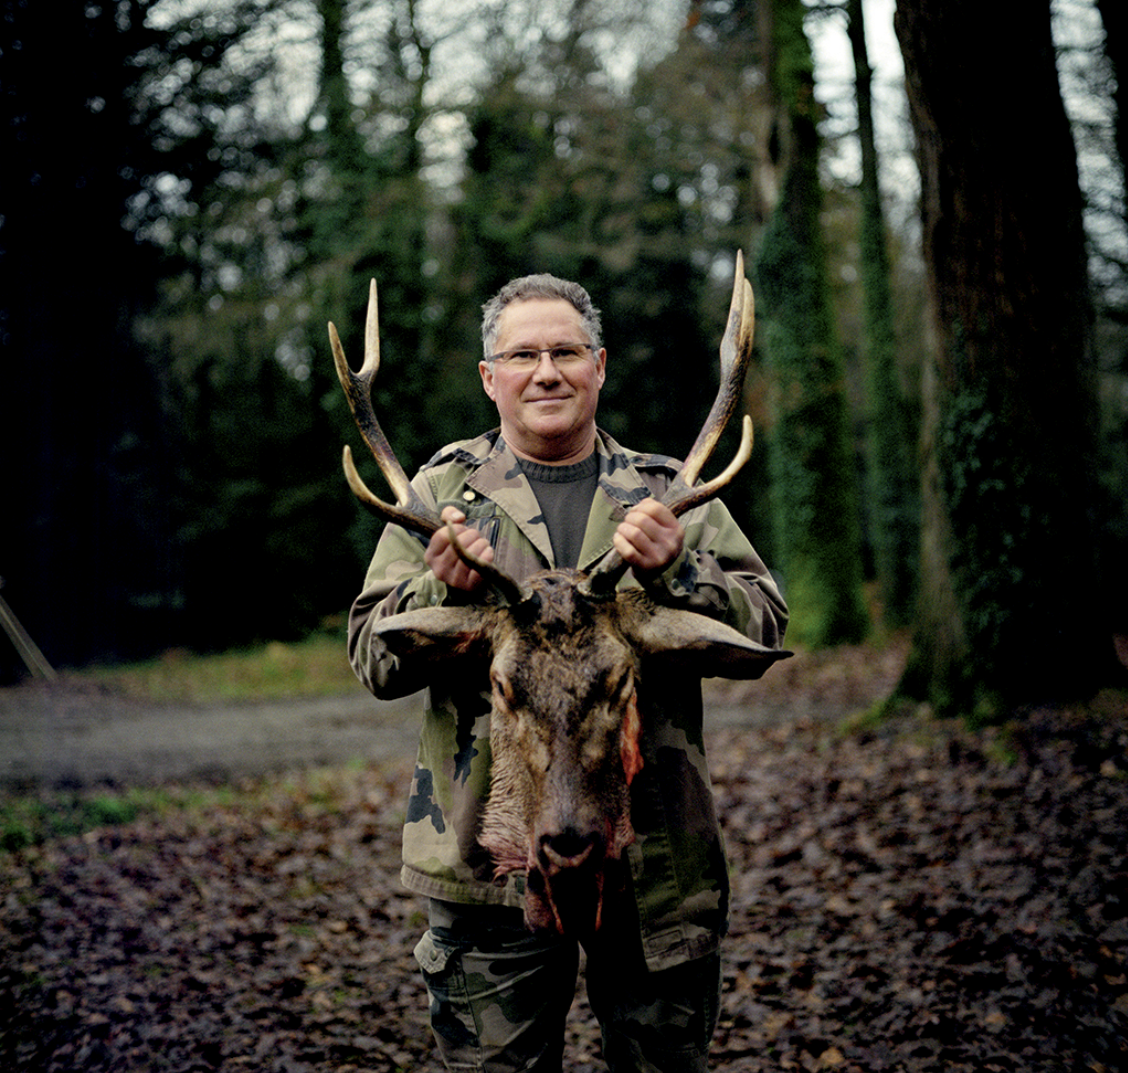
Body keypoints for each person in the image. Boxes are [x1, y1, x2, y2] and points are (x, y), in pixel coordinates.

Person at [348, 272, 789, 1072]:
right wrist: (435, 584)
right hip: (489, 871)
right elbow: (372, 658)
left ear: (600, 366)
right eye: (523, 354)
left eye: (566, 351)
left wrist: (679, 571)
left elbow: (765, 627)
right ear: (490, 377)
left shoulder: (669, 495)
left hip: (654, 862)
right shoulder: (440, 494)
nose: (545, 370)